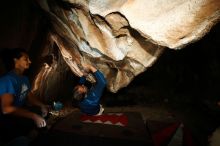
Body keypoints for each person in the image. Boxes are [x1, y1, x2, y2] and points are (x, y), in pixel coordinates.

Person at [0, 48, 49, 144]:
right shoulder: (7, 80)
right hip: (6, 120)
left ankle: (31, 134)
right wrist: (34, 116)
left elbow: (29, 96)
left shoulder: (24, 78)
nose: (30, 61)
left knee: (41, 112)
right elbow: (6, 109)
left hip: (17, 114)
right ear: (15, 60)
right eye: (26, 59)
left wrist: (42, 105)